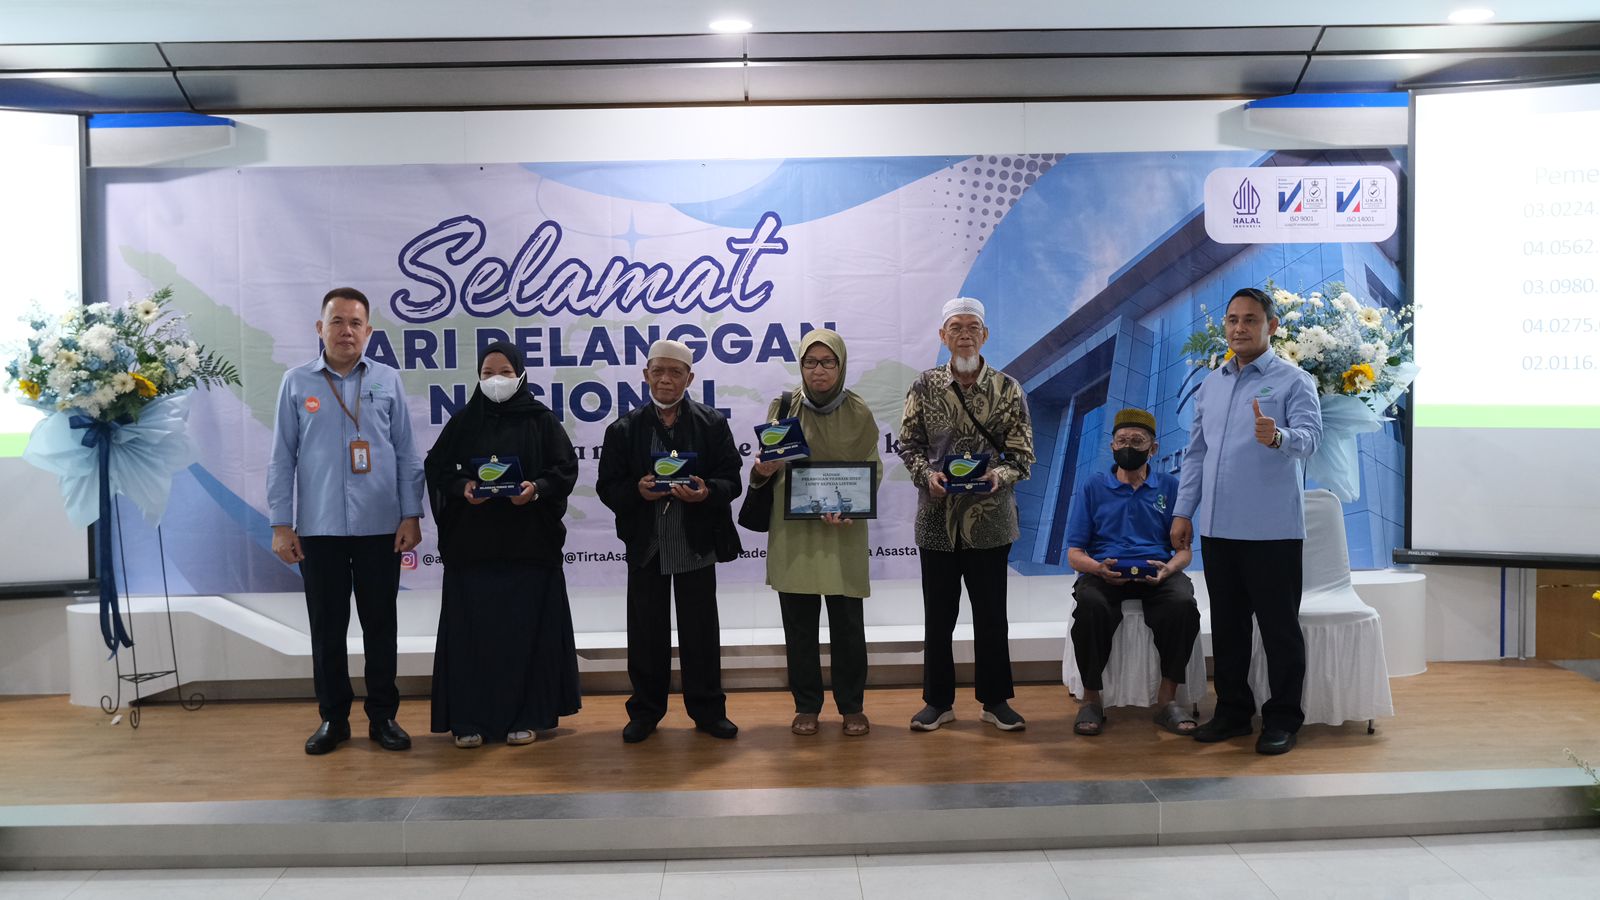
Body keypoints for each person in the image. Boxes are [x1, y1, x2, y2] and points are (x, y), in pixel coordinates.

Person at [268, 287, 425, 755]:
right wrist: (281, 523)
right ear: (320, 328)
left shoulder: (388, 380)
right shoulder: (296, 382)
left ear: (368, 331)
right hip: (319, 529)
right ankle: (333, 719)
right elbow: (282, 458)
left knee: (381, 626)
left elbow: (406, 452)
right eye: (337, 321)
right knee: (327, 630)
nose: (346, 331)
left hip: (381, 526)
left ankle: (384, 717)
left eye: (355, 323)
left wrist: (411, 514)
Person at [1172, 287, 1323, 755]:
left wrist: (1278, 436)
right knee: (1230, 630)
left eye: (1251, 319)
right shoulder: (1211, 384)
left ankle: (1283, 718)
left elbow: (1311, 439)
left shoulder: (1294, 381)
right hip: (1219, 530)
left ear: (1271, 326)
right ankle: (1234, 712)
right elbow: (1196, 453)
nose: (1240, 328)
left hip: (1272, 531)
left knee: (1279, 632)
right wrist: (1183, 510)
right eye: (1233, 319)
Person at [423, 341, 581, 749]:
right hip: (473, 552)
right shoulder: (463, 423)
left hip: (528, 550)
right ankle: (468, 719)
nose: (496, 380)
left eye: (505, 372)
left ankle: (527, 716)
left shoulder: (541, 421)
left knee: (525, 636)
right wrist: (463, 487)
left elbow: (565, 468)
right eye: (488, 373)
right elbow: (437, 468)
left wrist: (536, 488)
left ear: (521, 375)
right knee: (472, 638)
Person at [898, 297, 1036, 733]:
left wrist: (998, 475)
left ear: (985, 335)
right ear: (943, 336)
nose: (964, 334)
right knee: (938, 618)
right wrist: (927, 476)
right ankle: (937, 702)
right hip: (937, 519)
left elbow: (1023, 456)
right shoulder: (924, 386)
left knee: (991, 616)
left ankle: (996, 701)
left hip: (990, 520)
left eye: (972, 327)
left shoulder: (1008, 389)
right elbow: (908, 445)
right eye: (955, 327)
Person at [596, 338, 744, 743]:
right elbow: (607, 487)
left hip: (696, 543)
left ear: (689, 378)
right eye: (658, 371)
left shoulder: (712, 424)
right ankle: (646, 712)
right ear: (645, 375)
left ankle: (708, 710)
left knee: (701, 633)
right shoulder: (623, 429)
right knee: (646, 634)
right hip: (647, 545)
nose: (665, 379)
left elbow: (732, 479)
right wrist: (637, 492)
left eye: (675, 372)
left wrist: (706, 492)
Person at [749, 329, 880, 737]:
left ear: (841, 365)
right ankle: (806, 705)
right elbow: (765, 467)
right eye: (810, 362)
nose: (818, 370)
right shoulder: (783, 406)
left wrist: (851, 505)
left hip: (842, 531)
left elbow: (872, 467)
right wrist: (762, 469)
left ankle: (852, 706)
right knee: (799, 628)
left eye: (827, 362)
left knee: (848, 627)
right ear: (801, 366)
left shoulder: (858, 411)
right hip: (795, 534)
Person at [1065, 408, 1200, 737]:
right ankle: (1092, 700)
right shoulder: (1093, 486)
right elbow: (1074, 554)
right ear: (1112, 445)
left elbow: (1184, 551)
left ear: (1153, 448)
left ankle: (1167, 701)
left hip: (1157, 571)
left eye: (1137, 441)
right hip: (1105, 571)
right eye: (1122, 440)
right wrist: (1098, 568)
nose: (1128, 447)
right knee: (1091, 607)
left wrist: (1169, 569)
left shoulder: (1170, 486)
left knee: (1183, 605)